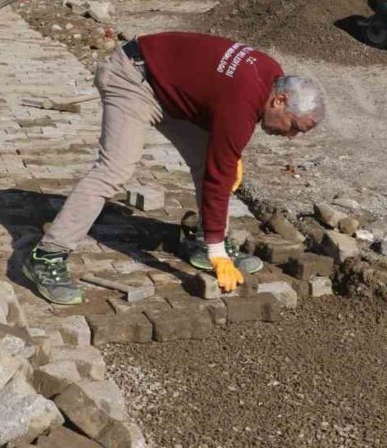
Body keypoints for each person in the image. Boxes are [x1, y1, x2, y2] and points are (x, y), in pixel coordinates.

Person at [23, 32, 326, 305]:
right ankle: (47, 255)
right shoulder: (243, 103)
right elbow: (218, 176)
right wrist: (219, 255)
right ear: (280, 100)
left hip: (168, 89)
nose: (291, 136)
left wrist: (227, 153)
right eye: (294, 127)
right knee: (114, 170)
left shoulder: (271, 75)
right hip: (132, 78)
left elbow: (217, 102)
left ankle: (203, 241)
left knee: (210, 160)